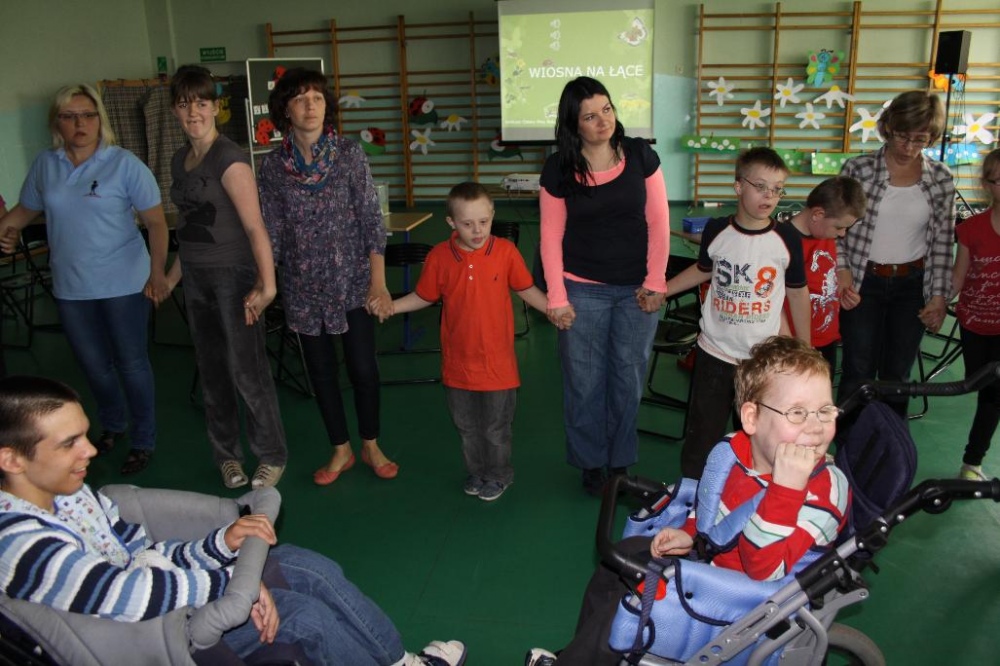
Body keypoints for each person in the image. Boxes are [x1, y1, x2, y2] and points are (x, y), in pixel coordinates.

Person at [0, 375, 466, 666]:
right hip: (155, 637)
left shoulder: (72, 495)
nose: (91, 450)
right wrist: (230, 584)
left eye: (85, 435)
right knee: (306, 618)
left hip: (170, 596)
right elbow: (127, 596)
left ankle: (400, 662)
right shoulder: (20, 546)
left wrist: (220, 544)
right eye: (69, 443)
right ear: (12, 459)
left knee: (310, 568)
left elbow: (144, 553)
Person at [525, 336, 850, 666]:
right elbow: (714, 509)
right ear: (751, 418)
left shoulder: (823, 492)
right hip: (711, 563)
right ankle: (579, 653)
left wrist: (785, 490)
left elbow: (763, 570)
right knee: (620, 560)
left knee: (633, 607)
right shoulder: (737, 453)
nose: (816, 427)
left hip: (743, 600)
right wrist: (691, 533)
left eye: (825, 410)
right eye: (797, 413)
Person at [0, 84, 169, 476]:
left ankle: (143, 439)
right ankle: (113, 423)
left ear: (100, 120)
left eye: (88, 115)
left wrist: (158, 273)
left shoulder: (124, 164)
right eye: (70, 116)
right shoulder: (46, 165)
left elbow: (157, 223)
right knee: (94, 365)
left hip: (124, 283)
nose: (80, 124)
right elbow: (26, 209)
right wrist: (7, 229)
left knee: (131, 363)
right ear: (56, 123)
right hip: (71, 287)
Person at [257, 68, 398, 486]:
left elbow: (371, 220)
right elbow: (272, 231)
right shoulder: (273, 167)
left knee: (363, 369)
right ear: (285, 109)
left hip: (352, 283)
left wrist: (378, 283)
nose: (311, 106)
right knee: (320, 373)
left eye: (317, 98)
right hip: (303, 287)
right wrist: (266, 284)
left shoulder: (349, 154)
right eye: (300, 99)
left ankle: (371, 443)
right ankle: (341, 449)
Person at [539, 76, 669, 496]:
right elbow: (550, 236)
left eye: (607, 110)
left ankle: (619, 461)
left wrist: (656, 282)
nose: (603, 121)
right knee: (584, 382)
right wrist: (556, 297)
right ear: (573, 124)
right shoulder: (559, 168)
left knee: (627, 381)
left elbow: (659, 222)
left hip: (637, 291)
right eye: (590, 116)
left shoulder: (640, 155)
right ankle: (591, 463)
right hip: (582, 289)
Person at [381, 182, 550, 502]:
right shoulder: (439, 257)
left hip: (497, 365)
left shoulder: (505, 251)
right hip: (458, 365)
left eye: (483, 222)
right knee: (467, 427)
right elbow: (424, 296)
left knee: (495, 428)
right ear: (451, 223)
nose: (477, 230)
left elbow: (525, 289)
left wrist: (554, 310)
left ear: (492, 215)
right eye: (467, 223)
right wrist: (393, 306)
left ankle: (499, 474)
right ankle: (477, 471)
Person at [164, 65, 287, 490]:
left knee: (247, 371)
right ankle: (227, 456)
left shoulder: (229, 158)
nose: (193, 112)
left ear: (216, 108)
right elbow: (189, 227)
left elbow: (255, 227)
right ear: (175, 111)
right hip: (197, 278)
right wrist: (172, 277)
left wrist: (267, 285)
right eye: (184, 104)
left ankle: (271, 454)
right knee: (212, 370)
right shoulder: (180, 160)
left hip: (234, 277)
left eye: (201, 103)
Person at [666, 147, 809, 479]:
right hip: (714, 354)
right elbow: (704, 269)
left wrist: (805, 349)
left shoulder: (786, 237)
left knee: (757, 434)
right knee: (703, 434)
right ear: (738, 187)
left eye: (777, 189)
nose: (769, 196)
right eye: (760, 186)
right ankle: (695, 492)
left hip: (762, 360)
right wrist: (663, 291)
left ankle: (748, 488)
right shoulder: (717, 230)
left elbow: (797, 292)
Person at [836, 90, 955, 420]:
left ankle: (890, 444)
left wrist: (939, 296)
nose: (909, 147)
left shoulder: (941, 178)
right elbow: (834, 226)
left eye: (921, 139)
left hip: (912, 286)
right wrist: (842, 269)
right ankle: (849, 443)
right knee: (858, 368)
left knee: (898, 375)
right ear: (888, 127)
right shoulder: (857, 169)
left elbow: (943, 243)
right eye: (903, 136)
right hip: (863, 284)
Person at [782, 176, 867, 369]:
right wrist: (799, 345)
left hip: (826, 339)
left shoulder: (826, 235)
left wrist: (843, 297)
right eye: (840, 227)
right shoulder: (784, 241)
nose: (842, 234)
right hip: (793, 344)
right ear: (817, 214)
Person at [952, 148, 1000, 481]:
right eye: (998, 181)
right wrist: (936, 302)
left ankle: (972, 462)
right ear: (986, 184)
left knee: (994, 395)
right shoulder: (971, 229)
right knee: (981, 387)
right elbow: (958, 276)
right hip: (974, 324)